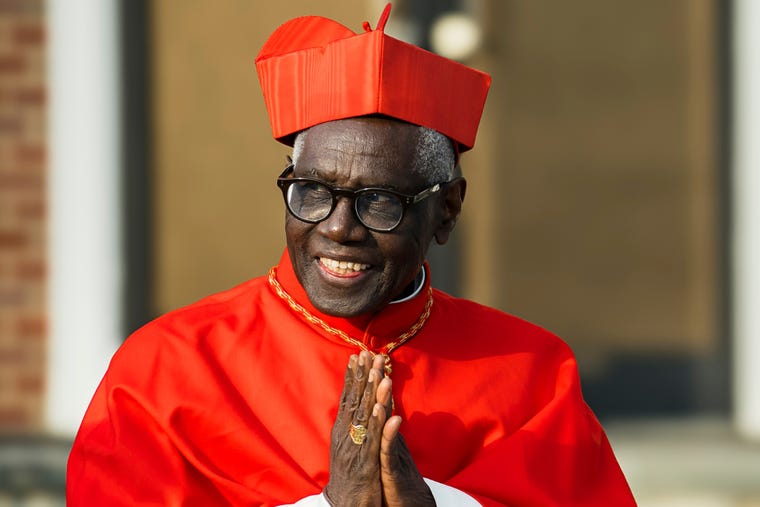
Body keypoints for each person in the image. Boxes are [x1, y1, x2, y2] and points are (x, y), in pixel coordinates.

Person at [67, 4, 636, 506]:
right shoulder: (166, 369)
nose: (339, 229)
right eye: (313, 192)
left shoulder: (531, 372)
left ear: (447, 210)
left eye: (380, 202)